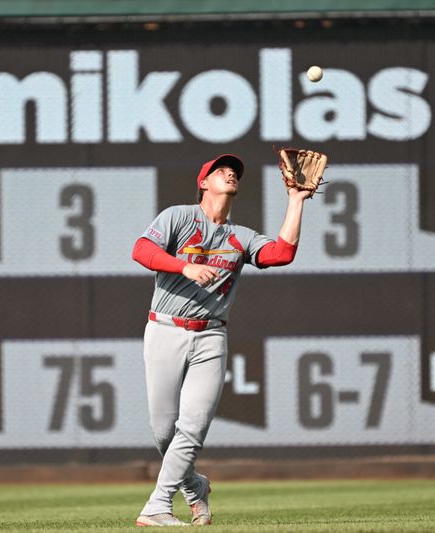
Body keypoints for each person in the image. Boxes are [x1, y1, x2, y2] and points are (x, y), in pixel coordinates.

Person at [131, 152, 324, 527]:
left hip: (210, 337)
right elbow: (141, 250)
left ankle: (158, 504)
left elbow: (280, 254)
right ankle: (195, 487)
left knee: (194, 426)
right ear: (203, 183)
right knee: (163, 433)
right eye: (221, 170)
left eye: (234, 171)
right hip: (164, 330)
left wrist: (296, 201)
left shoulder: (241, 237)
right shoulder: (178, 217)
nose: (230, 173)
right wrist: (184, 265)